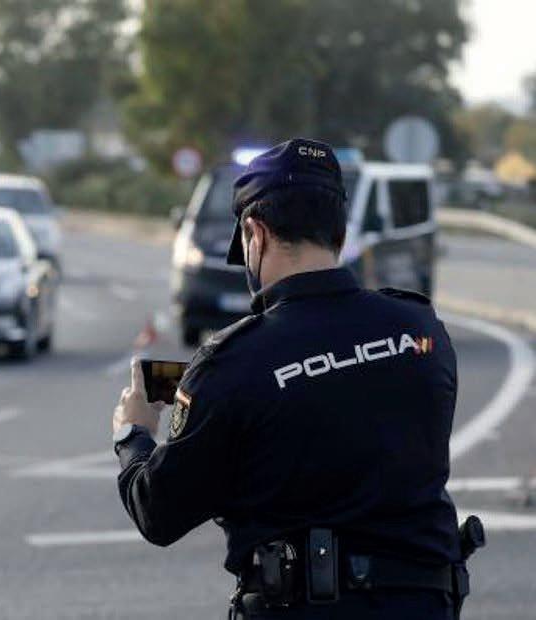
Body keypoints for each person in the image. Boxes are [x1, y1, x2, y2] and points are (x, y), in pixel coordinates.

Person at [111, 139, 479, 618]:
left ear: (255, 233)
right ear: (339, 233)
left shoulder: (234, 363)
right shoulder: (421, 330)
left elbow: (158, 514)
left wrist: (133, 434)